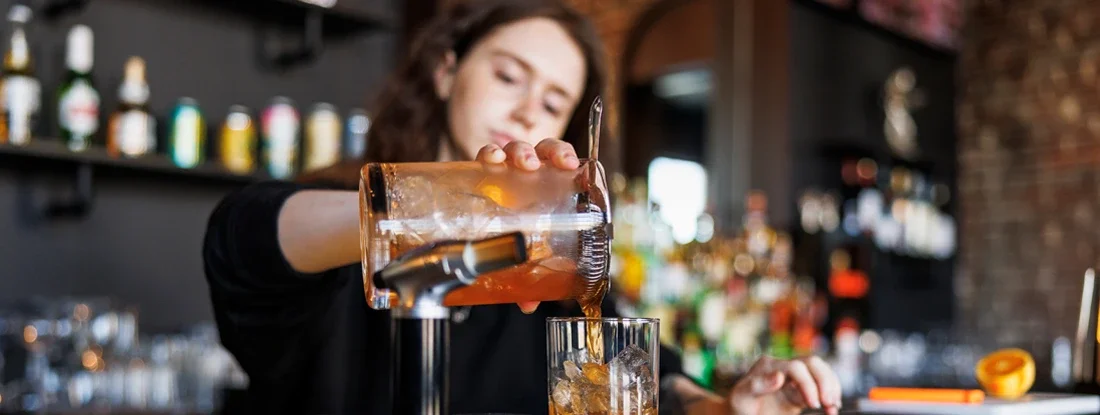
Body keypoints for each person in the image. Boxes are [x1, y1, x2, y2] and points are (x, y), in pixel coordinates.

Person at [202, 0, 843, 414]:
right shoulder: (333, 225)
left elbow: (650, 380)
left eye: (554, 100)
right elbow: (242, 239)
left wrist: (728, 407)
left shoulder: (555, 277)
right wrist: (459, 208)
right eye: (509, 76)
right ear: (446, 71)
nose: (528, 110)